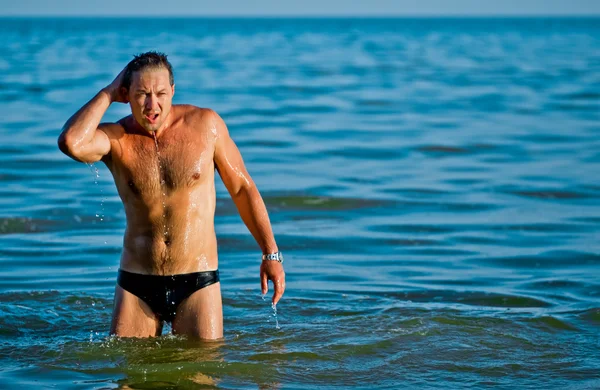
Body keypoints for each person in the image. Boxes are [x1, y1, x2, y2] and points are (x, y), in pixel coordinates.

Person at [58, 51, 285, 339]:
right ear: (126, 94)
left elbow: (242, 188)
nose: (153, 105)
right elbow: (71, 142)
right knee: (129, 380)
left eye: (161, 94)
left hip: (198, 280)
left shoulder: (206, 126)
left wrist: (271, 253)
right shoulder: (116, 138)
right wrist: (107, 92)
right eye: (142, 94)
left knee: (202, 376)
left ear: (173, 91)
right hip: (136, 282)